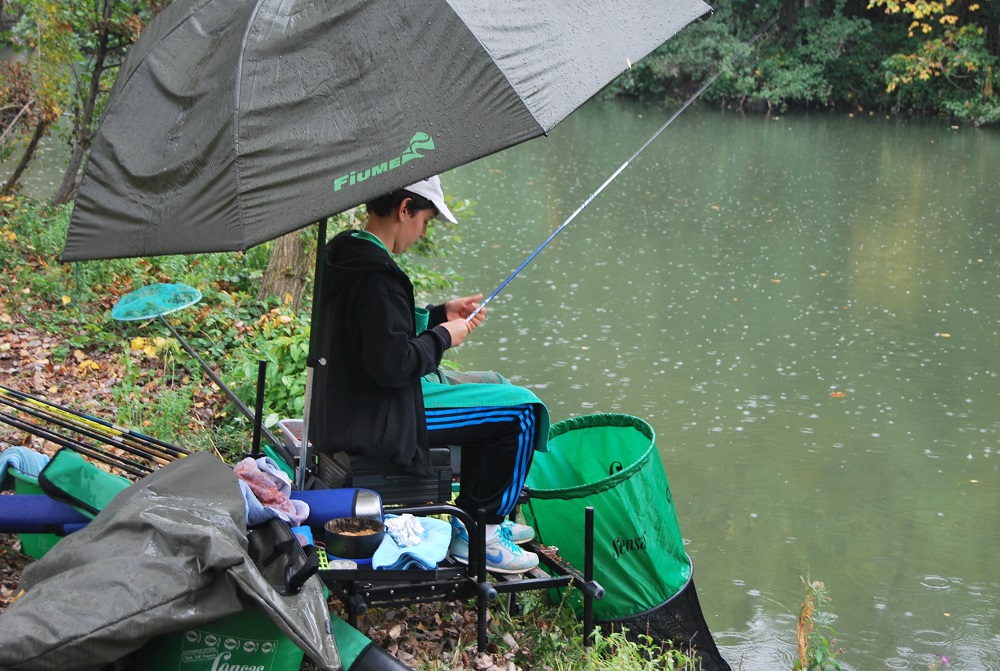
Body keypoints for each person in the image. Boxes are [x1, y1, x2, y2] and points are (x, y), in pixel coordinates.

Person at [311, 175, 548, 574]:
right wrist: (443, 337)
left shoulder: (348, 252)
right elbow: (393, 364)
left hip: (356, 401)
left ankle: (475, 520)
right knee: (523, 411)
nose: (423, 231)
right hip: (379, 415)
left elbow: (377, 333)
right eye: (426, 220)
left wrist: (440, 314)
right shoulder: (376, 277)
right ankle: (482, 535)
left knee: (496, 385)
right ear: (404, 209)